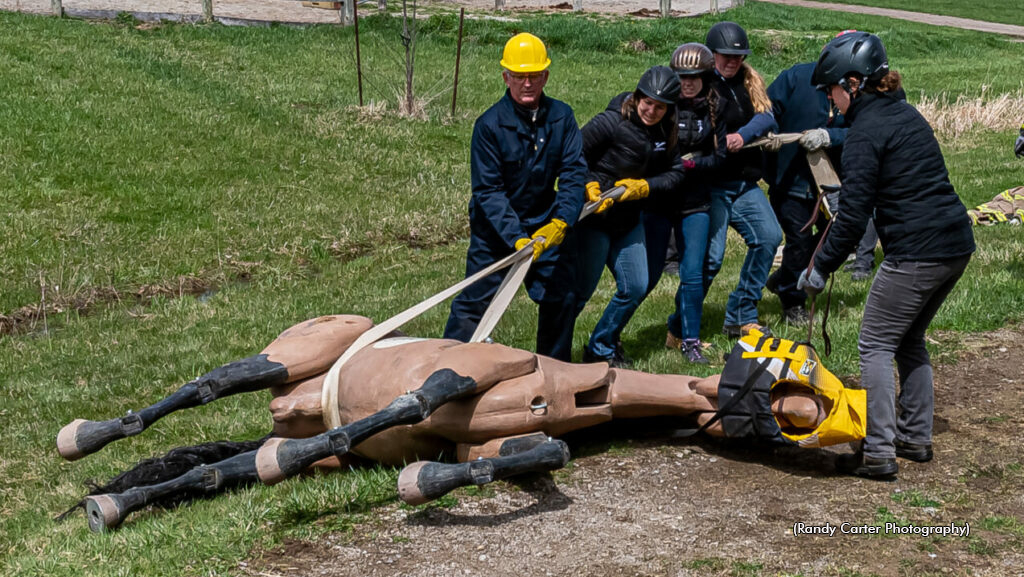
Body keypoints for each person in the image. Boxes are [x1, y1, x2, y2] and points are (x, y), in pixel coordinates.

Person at [799, 32, 975, 479]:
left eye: (831, 90)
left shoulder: (864, 133)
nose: (830, 100)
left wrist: (819, 268)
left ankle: (878, 452)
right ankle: (914, 437)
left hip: (917, 252)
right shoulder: (903, 112)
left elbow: (853, 219)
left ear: (853, 84)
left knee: (875, 343)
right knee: (909, 340)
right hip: (956, 244)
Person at [443, 32, 588, 362]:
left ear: (545, 77)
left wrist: (561, 222)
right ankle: (445, 364)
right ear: (505, 77)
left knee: (562, 297)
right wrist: (516, 238)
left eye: (534, 76)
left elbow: (574, 174)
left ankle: (553, 370)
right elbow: (488, 191)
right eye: (519, 76)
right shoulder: (489, 126)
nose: (527, 83)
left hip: (544, 223)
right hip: (495, 230)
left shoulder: (562, 117)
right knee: (474, 303)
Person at [574, 66, 685, 367]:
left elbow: (676, 174)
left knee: (636, 285)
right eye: (646, 102)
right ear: (637, 97)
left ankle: (601, 346)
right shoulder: (611, 122)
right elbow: (573, 154)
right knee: (581, 292)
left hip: (629, 221)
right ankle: (555, 349)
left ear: (669, 109)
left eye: (659, 106)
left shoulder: (669, 132)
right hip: (595, 219)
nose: (651, 110)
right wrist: (588, 183)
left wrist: (645, 187)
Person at [646, 43, 726, 364]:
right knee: (643, 279)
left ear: (706, 77)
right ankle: (606, 338)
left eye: (694, 77)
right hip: (662, 200)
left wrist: (695, 165)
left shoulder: (715, 107)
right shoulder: (662, 105)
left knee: (693, 274)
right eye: (682, 77)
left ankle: (689, 340)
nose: (687, 83)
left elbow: (720, 158)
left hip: (697, 201)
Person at [702, 22, 783, 338]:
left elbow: (767, 115)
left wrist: (743, 135)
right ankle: (680, 326)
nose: (732, 61)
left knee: (769, 237)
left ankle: (741, 314)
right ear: (712, 54)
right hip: (712, 184)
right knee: (711, 259)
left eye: (738, 56)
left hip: (744, 183)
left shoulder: (750, 81)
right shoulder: (702, 84)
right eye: (725, 56)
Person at [764, 59, 849, 325]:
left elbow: (863, 130)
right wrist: (768, 133)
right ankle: (792, 301)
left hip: (835, 182)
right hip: (791, 178)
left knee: (839, 237)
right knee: (799, 242)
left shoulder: (859, 90)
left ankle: (783, 277)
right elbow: (767, 109)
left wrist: (830, 136)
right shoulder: (797, 76)